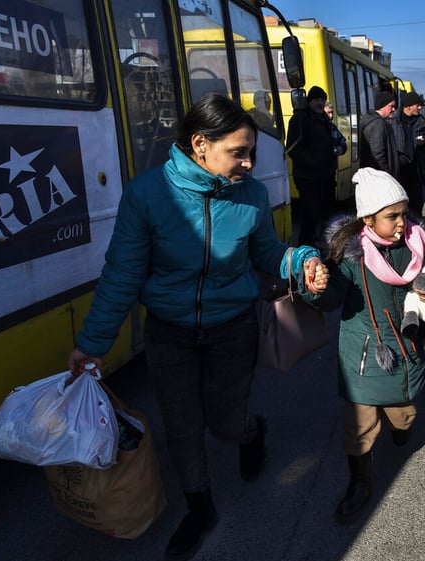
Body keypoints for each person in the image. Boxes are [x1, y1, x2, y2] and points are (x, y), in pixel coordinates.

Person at [66, 93, 329, 561]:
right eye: (239, 152)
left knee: (226, 423)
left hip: (232, 329)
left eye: (251, 152)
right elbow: (122, 274)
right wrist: (92, 345)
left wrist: (302, 258)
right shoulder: (147, 194)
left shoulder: (251, 195)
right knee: (183, 428)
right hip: (169, 333)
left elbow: (267, 253)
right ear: (200, 144)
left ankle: (251, 432)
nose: (249, 163)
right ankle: (200, 507)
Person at [318, 168, 425, 523]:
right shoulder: (350, 256)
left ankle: (401, 427)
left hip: (406, 347)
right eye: (391, 216)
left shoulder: (417, 245)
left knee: (403, 415)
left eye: (403, 212)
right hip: (364, 355)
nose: (402, 222)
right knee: (359, 427)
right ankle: (360, 482)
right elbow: (331, 299)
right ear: (367, 219)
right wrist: (314, 286)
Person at [287, 85, 341, 246]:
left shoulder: (323, 118)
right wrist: (313, 163)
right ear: (309, 101)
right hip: (307, 176)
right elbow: (293, 148)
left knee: (322, 213)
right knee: (309, 214)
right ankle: (305, 246)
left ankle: (318, 242)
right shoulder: (300, 119)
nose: (320, 102)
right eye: (316, 99)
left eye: (322, 99)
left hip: (324, 176)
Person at [392, 91, 425, 216]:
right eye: (417, 105)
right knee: (400, 205)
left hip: (416, 171)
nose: (420, 108)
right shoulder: (394, 121)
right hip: (400, 171)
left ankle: (416, 232)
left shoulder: (420, 122)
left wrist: (424, 143)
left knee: (417, 205)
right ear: (408, 106)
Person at [359, 91, 398, 177]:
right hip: (380, 177)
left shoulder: (376, 122)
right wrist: (387, 174)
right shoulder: (378, 124)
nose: (393, 109)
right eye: (391, 106)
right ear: (382, 106)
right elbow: (378, 154)